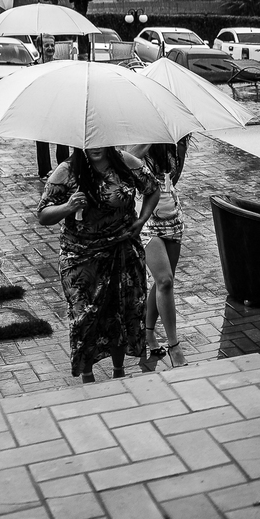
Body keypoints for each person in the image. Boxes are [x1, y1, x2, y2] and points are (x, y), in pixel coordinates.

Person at [37, 147, 159, 382]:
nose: (95, 146)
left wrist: (142, 220)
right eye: (88, 141)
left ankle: (119, 372)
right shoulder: (68, 170)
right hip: (81, 257)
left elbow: (152, 189)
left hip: (122, 250)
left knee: (120, 313)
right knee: (85, 318)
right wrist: (68, 207)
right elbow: (43, 214)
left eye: (99, 139)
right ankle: (87, 376)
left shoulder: (125, 163)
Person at [126, 137, 190, 369]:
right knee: (164, 280)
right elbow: (125, 162)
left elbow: (174, 179)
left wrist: (179, 144)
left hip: (172, 217)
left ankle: (148, 333)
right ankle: (174, 346)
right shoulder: (139, 138)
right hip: (146, 218)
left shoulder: (175, 143)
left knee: (164, 283)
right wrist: (153, 136)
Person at [35, 36, 71, 178]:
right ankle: (44, 170)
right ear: (39, 48)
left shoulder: (59, 65)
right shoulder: (34, 67)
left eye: (52, 45)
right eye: (46, 46)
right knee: (42, 139)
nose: (50, 48)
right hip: (41, 106)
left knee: (62, 138)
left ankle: (64, 168)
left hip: (57, 105)